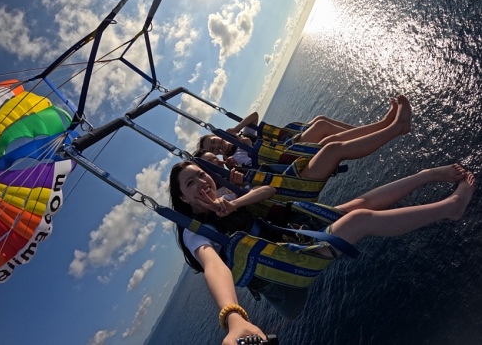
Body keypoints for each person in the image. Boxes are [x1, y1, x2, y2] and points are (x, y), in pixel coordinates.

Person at [169, 160, 476, 345]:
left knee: (355, 205)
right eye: (190, 183)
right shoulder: (194, 232)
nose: (201, 183)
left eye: (201, 175)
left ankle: (425, 174)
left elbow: (268, 191)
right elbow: (213, 265)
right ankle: (451, 207)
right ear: (183, 198)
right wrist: (232, 315)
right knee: (359, 220)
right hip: (285, 274)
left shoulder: (225, 196)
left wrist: (234, 203)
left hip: (295, 237)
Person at [198, 95, 404, 169]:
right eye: (213, 148)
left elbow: (254, 116)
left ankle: (376, 127)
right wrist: (248, 147)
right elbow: (257, 167)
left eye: (214, 140)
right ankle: (383, 126)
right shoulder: (235, 159)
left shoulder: (241, 135)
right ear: (216, 154)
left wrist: (236, 129)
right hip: (285, 156)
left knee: (320, 119)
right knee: (323, 128)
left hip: (285, 144)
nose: (217, 145)